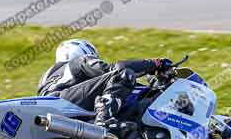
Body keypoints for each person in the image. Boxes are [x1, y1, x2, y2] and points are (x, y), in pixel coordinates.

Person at [38, 39, 171, 127]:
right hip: (65, 101)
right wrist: (154, 64)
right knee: (122, 74)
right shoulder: (79, 61)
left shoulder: (48, 75)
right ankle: (104, 118)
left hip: (49, 110)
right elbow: (115, 69)